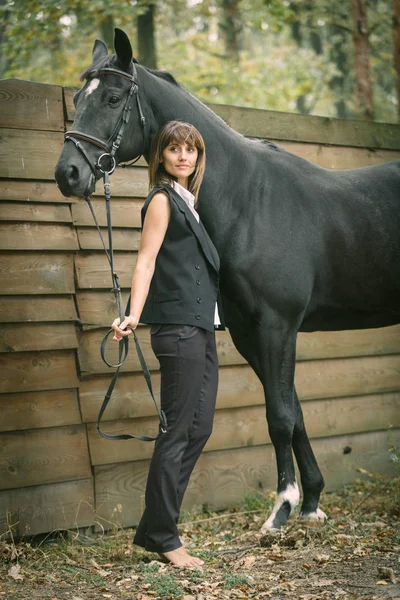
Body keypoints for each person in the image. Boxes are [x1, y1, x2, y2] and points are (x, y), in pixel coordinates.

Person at [111, 121, 224, 567]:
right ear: (160, 156)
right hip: (176, 329)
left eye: (190, 150)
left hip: (199, 327)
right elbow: (145, 261)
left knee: (199, 428)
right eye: (173, 149)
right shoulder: (161, 200)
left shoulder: (189, 203)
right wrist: (133, 316)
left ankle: (155, 525)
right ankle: (164, 535)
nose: (183, 156)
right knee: (177, 430)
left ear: (197, 157)